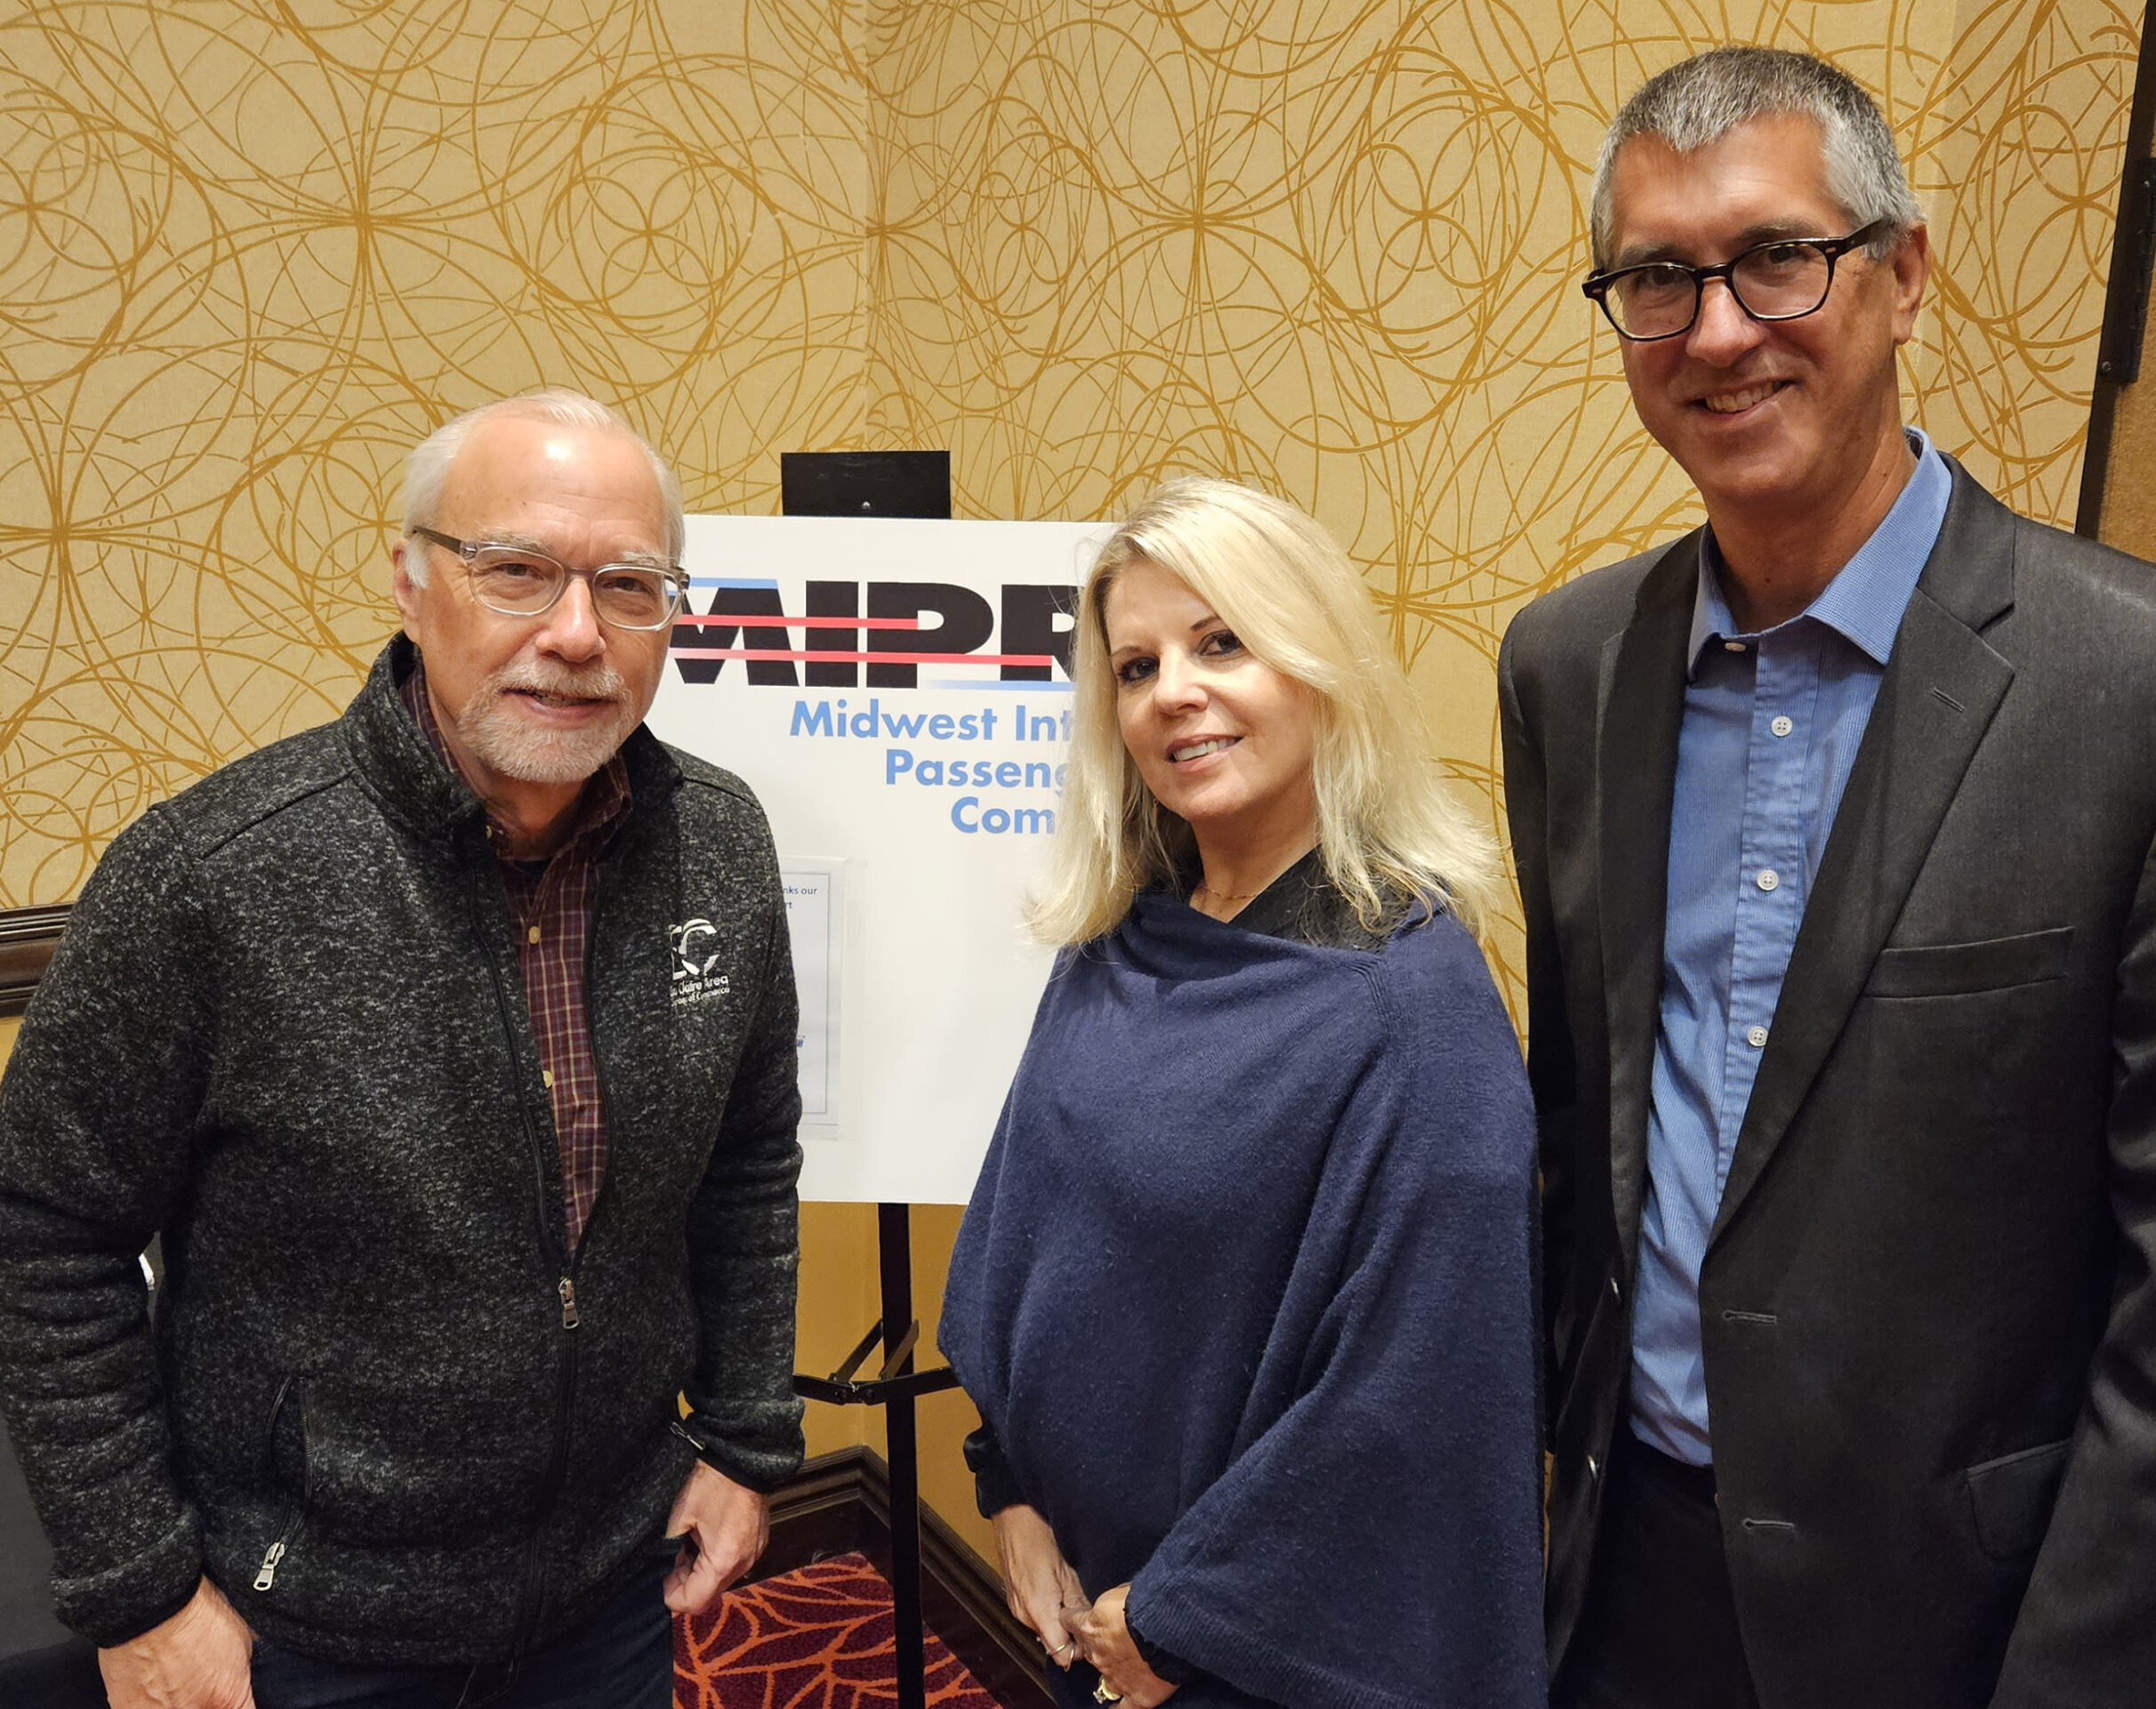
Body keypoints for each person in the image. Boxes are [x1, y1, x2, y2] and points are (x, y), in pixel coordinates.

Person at [1498, 44, 2156, 1709]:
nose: (1718, 329)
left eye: (1780, 255)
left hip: (1967, 1623)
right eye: (1656, 278)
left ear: (1904, 272)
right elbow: (1584, 1128)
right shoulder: (1565, 665)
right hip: (1624, 1580)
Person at [0, 390, 806, 1709]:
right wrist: (137, 1587)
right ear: (412, 582)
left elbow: (749, 1156)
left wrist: (746, 1432)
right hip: (302, 1620)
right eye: (516, 572)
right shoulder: (211, 877)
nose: (574, 633)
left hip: (611, 1584)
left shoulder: (721, 842)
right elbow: (44, 1229)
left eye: (629, 586)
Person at [937, 477, 1547, 1709]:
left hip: (1260, 1651)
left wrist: (1173, 1621)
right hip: (1086, 1598)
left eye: (1224, 642)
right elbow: (1033, 1227)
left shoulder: (1408, 1003)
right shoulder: (1119, 937)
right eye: (1138, 662)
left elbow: (1415, 1400)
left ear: (1318, 666)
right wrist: (1011, 1489)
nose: (1176, 691)